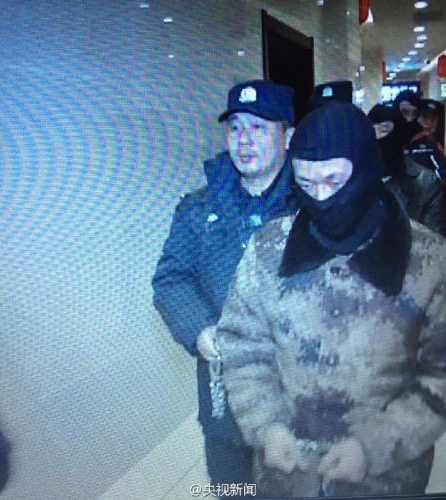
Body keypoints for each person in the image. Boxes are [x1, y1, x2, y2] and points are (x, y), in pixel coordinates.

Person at [216, 102, 446, 498]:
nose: (320, 197)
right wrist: (267, 427)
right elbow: (243, 346)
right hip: (286, 476)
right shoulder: (268, 249)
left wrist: (373, 447)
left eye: (334, 180)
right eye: (306, 183)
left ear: (366, 170)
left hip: (386, 480)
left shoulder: (435, 264)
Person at [152, 80, 296, 493]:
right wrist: (199, 329)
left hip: (295, 394)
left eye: (258, 127)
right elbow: (171, 278)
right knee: (232, 489)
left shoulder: (310, 204)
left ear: (288, 135)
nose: (244, 140)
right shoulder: (199, 207)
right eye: (235, 127)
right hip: (225, 393)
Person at [368, 103, 446, 241]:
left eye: (384, 130)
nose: (378, 137)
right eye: (372, 131)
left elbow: (438, 245)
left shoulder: (428, 185)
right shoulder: (353, 182)